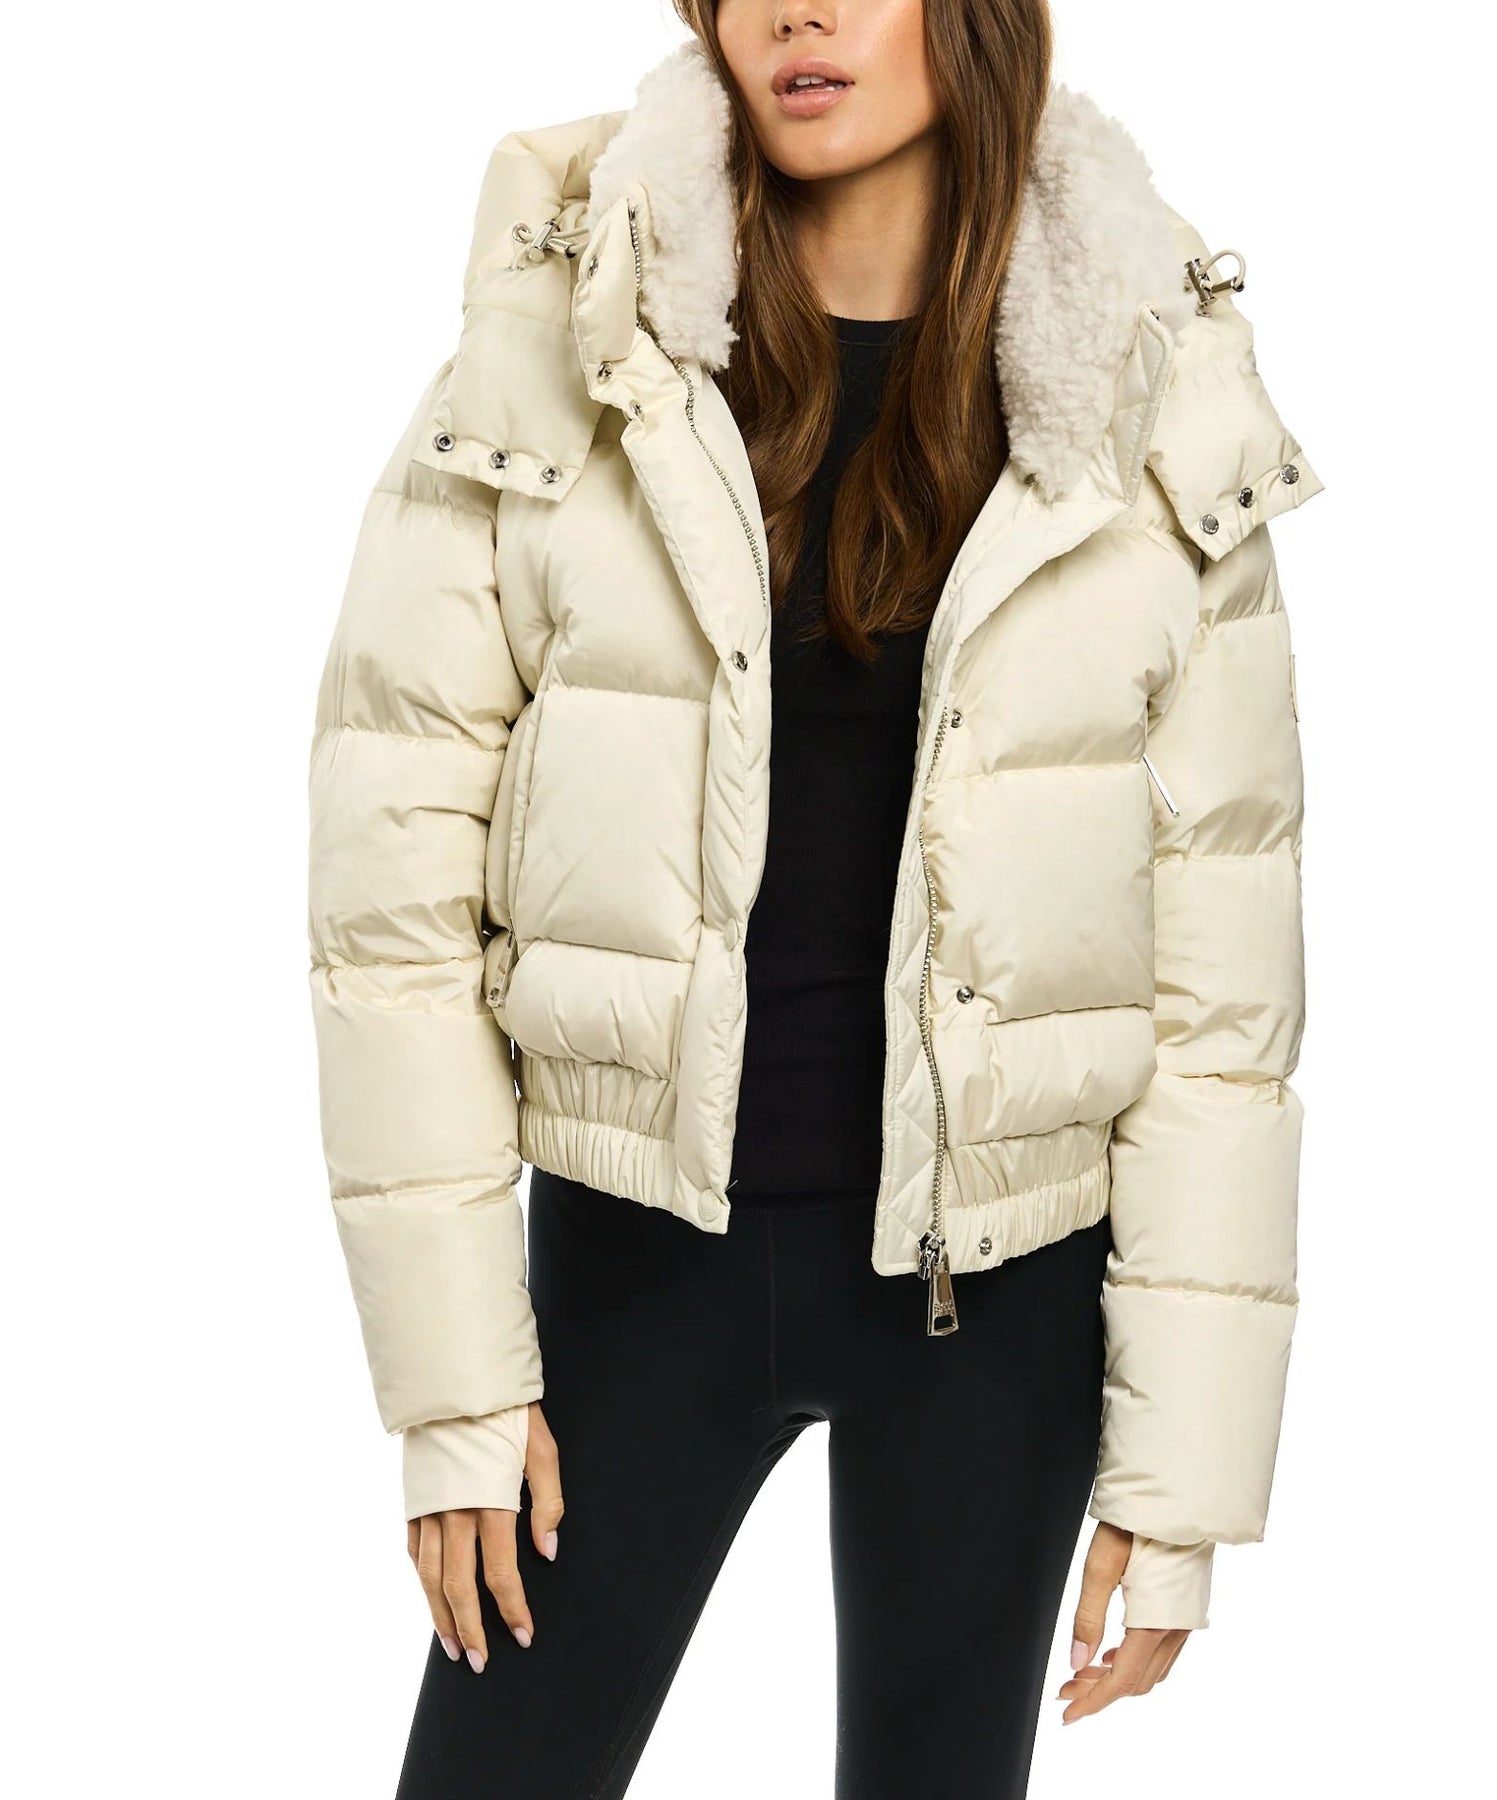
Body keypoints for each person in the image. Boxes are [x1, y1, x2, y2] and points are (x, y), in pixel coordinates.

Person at [305, 4, 1322, 1794]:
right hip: (633, 1276)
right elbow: (390, 905)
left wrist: (1183, 1478)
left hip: (996, 1303)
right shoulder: (562, 342)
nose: (796, 10)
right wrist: (456, 1387)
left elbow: (1220, 983)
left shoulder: (1149, 379)